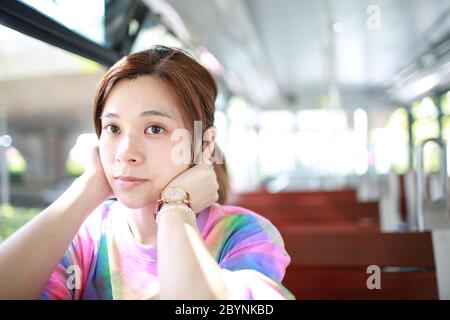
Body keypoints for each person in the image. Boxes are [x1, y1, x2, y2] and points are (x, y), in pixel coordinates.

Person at [0, 46, 294, 300]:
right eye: (113, 128)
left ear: (204, 144)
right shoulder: (88, 234)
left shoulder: (244, 235)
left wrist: (176, 207)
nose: (126, 152)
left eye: (155, 129)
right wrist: (89, 186)